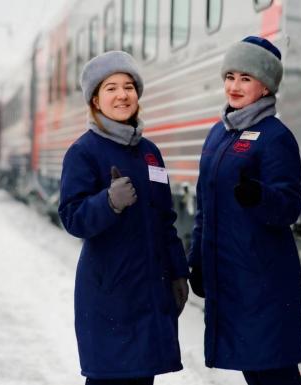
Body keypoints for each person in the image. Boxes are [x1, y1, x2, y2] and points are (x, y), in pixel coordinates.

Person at [58, 51, 189, 385]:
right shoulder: (84, 152)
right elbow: (72, 217)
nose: (122, 95)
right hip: (109, 292)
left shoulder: (150, 152)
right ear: (96, 100)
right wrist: (108, 203)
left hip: (149, 291)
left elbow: (165, 219)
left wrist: (177, 272)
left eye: (128, 86)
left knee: (142, 379)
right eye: (111, 88)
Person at [188, 36, 301, 385]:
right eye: (230, 76)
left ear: (265, 86)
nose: (234, 86)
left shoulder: (275, 137)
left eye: (245, 79)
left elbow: (289, 206)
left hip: (262, 278)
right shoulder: (218, 135)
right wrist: (197, 258)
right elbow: (203, 207)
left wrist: (260, 197)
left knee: (272, 370)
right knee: (255, 368)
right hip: (230, 276)